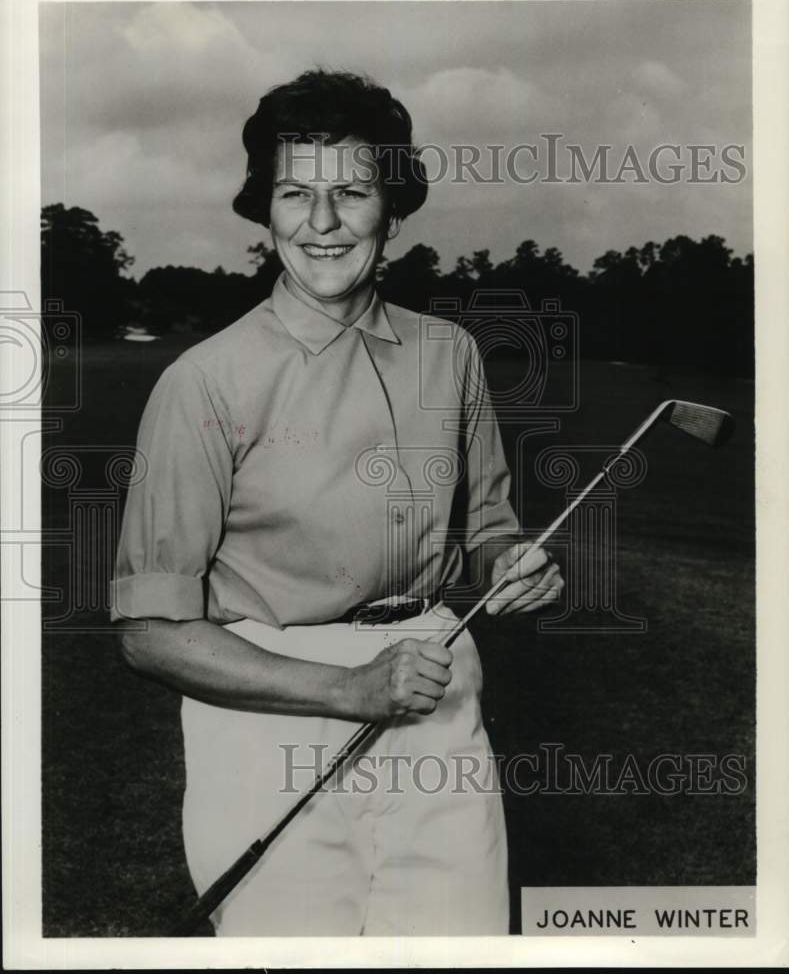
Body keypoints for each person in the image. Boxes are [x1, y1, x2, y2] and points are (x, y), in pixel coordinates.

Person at [111, 69, 564, 937]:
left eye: (352, 193)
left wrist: (509, 567)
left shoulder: (451, 355)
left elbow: (486, 531)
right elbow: (150, 632)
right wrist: (348, 688)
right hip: (266, 714)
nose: (321, 224)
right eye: (294, 193)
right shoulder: (202, 383)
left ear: (392, 213)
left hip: (437, 690)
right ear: (263, 208)